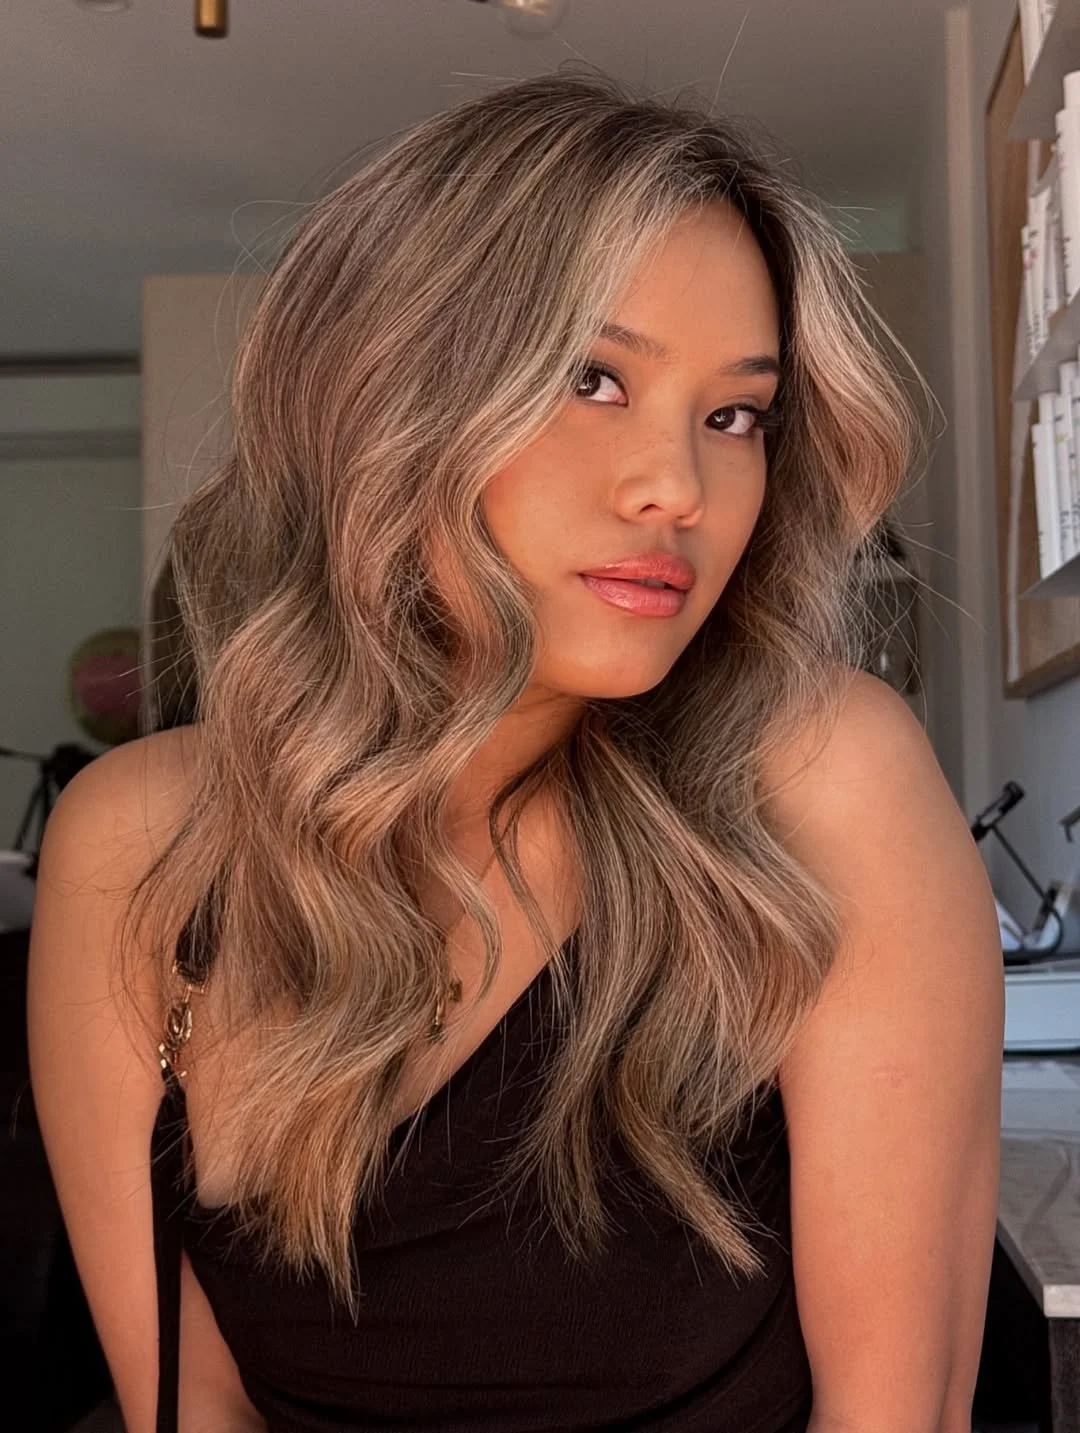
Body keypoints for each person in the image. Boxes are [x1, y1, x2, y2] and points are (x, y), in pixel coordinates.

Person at [27, 65, 1005, 1433]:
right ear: (382, 393)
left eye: (736, 415)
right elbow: (187, 1409)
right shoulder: (136, 852)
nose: (678, 485)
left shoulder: (825, 782)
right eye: (592, 379)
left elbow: (897, 1412)